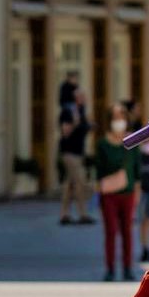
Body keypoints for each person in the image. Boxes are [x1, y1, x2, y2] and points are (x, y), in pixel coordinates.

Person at [92, 104, 140, 281]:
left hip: (128, 193)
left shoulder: (131, 142)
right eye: (114, 118)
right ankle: (110, 269)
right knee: (110, 232)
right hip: (109, 194)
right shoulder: (103, 143)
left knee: (127, 231)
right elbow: (98, 169)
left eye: (121, 117)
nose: (118, 121)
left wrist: (138, 190)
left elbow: (137, 169)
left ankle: (127, 268)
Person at [58, 89, 94, 226]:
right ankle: (83, 214)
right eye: (81, 97)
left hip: (78, 152)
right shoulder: (68, 111)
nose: (84, 99)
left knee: (69, 185)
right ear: (75, 98)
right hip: (69, 152)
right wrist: (75, 122)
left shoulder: (82, 111)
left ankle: (64, 214)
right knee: (80, 182)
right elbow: (65, 132)